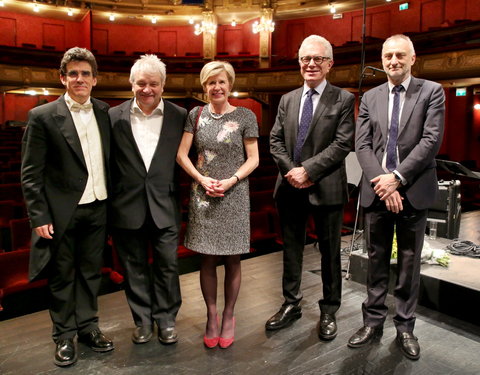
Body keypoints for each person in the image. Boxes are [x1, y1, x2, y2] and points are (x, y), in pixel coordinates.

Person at [348, 34, 445, 360]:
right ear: (383, 58)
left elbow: (430, 141)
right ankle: (372, 322)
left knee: (408, 263)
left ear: (412, 58)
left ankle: (405, 327)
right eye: (388, 55)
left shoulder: (432, 92)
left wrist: (397, 179)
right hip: (378, 192)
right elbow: (362, 145)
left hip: (412, 189)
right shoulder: (370, 96)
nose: (393, 61)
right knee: (375, 261)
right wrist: (383, 184)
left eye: (400, 55)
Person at [21, 47, 114, 367]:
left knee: (90, 273)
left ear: (95, 79)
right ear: (62, 78)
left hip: (98, 206)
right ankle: (63, 336)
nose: (79, 79)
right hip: (62, 212)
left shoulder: (104, 111)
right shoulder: (42, 116)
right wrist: (39, 215)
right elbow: (31, 172)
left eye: (85, 74)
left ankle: (88, 327)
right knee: (62, 275)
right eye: (73, 73)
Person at [267, 35, 355, 340]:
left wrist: (309, 170)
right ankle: (291, 304)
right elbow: (275, 141)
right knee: (291, 251)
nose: (311, 64)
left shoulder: (343, 99)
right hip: (290, 186)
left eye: (318, 59)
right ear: (299, 62)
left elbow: (343, 144)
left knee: (330, 253)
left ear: (329, 64)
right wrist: (292, 171)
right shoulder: (288, 99)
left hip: (326, 187)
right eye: (306, 58)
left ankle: (329, 309)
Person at [176, 61, 259, 349]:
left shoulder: (246, 115)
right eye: (211, 82)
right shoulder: (195, 115)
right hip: (203, 195)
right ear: (204, 86)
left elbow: (253, 159)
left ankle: (228, 315)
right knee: (208, 258)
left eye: (221, 82)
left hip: (233, 194)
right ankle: (211, 315)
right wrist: (201, 179)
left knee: (233, 258)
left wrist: (230, 180)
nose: (217, 87)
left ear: (230, 84)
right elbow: (182, 155)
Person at [109, 55, 186, 345]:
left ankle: (166, 319)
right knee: (134, 267)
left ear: (163, 85)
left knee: (168, 264)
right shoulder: (113, 116)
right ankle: (142, 321)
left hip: (164, 204)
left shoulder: (180, 115)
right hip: (126, 205)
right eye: (141, 83)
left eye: (153, 83)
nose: (147, 89)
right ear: (131, 84)